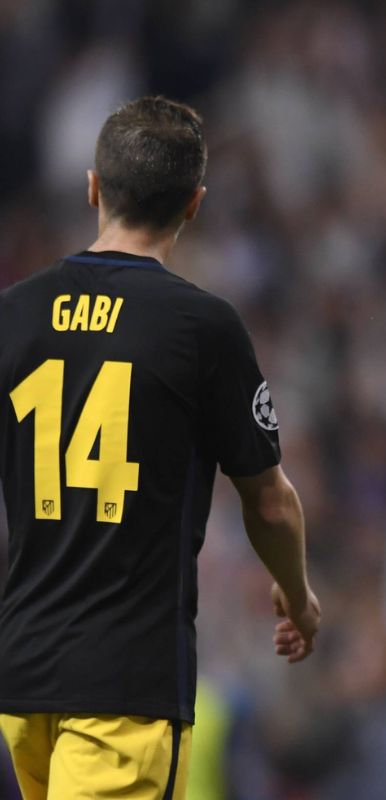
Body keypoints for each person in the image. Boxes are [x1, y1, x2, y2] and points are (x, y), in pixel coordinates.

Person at [0, 96, 320, 800]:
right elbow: (269, 503)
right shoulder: (203, 328)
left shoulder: (14, 313)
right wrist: (297, 598)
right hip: (125, 686)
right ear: (194, 205)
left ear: (93, 187)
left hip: (20, 684)